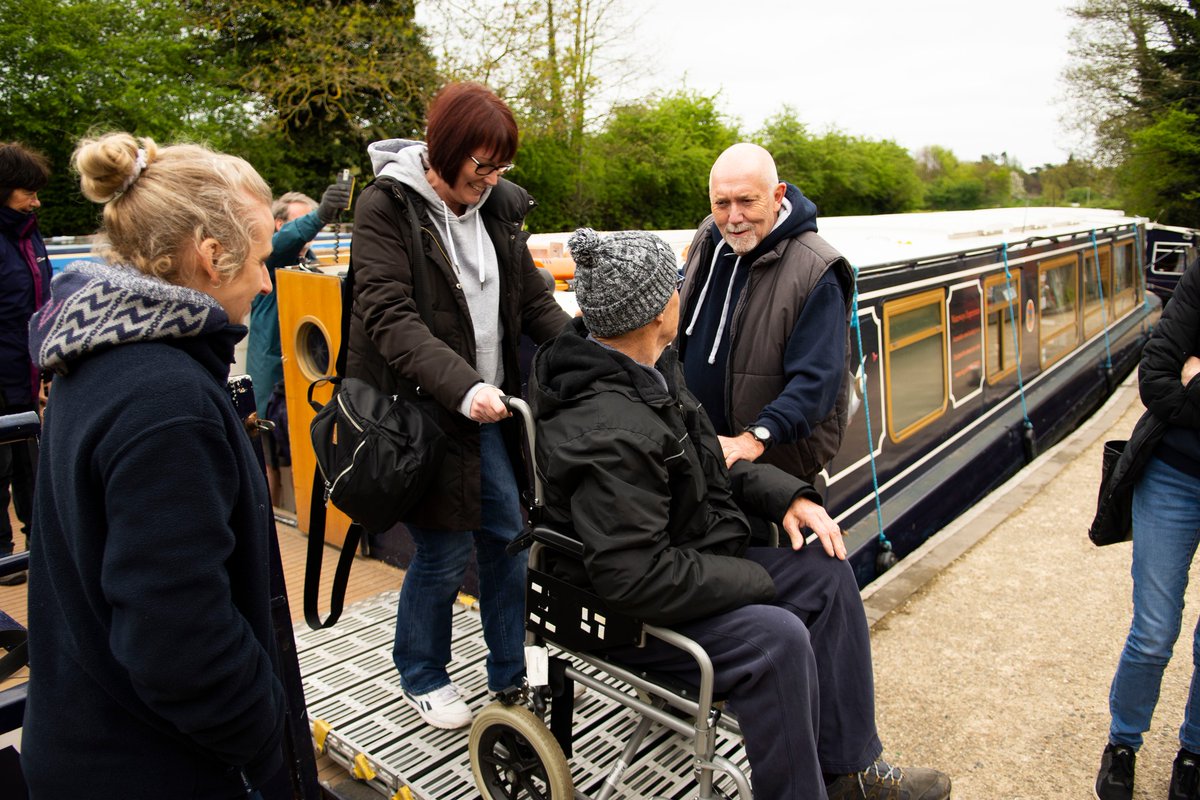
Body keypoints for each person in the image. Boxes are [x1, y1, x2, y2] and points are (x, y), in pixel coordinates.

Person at [529, 227, 951, 800]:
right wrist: (757, 583)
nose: (682, 294)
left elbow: (710, 456)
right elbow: (633, 575)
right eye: (675, 288)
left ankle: (849, 771)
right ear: (657, 311)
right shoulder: (609, 429)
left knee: (827, 573)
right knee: (776, 638)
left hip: (688, 558)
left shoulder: (650, 370)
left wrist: (789, 497)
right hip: (629, 607)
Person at [22, 132, 286, 798]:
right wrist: (262, 734)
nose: (263, 282)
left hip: (84, 742)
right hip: (154, 767)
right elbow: (178, 639)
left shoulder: (98, 359)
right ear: (211, 254)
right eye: (259, 259)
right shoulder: (167, 402)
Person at [346, 81, 570, 729]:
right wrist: (463, 384)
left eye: (503, 166)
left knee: (506, 540)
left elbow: (533, 303)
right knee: (443, 554)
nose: (494, 177)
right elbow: (388, 315)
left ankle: (507, 676)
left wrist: (594, 359)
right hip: (423, 415)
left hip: (487, 414)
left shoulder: (497, 208)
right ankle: (421, 671)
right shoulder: (386, 208)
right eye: (482, 164)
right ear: (444, 150)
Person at [678, 142, 854, 486]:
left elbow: (816, 385)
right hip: (703, 456)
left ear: (777, 195)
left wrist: (756, 437)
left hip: (771, 469)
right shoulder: (707, 237)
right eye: (721, 203)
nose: (734, 217)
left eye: (746, 201)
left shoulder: (817, 271)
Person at [1094, 258, 1200, 800]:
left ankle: (1194, 752)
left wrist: (1196, 379)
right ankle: (1122, 744)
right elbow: (1155, 377)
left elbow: (1179, 384)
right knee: (1155, 631)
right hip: (1174, 474)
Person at [247, 184, 351, 505]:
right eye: (304, 220)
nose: (314, 226)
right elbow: (283, 244)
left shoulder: (313, 264)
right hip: (273, 382)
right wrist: (321, 215)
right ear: (281, 225)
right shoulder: (272, 258)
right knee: (269, 461)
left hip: (308, 381)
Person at [0, 142, 51, 586]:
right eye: (26, 192)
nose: (35, 201)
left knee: (31, 461)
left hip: (28, 368)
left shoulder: (28, 234)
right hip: (1, 371)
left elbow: (42, 302)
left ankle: (41, 543)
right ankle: (2, 555)